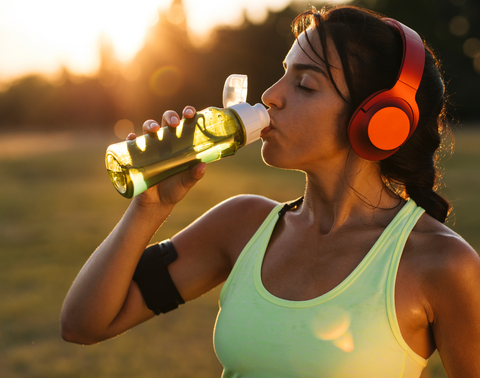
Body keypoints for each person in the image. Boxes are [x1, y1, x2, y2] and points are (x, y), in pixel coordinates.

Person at [61, 5, 480, 377]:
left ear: (380, 121)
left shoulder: (442, 264)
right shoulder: (240, 225)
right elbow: (83, 325)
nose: (270, 96)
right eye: (284, 74)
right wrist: (149, 207)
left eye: (305, 85)